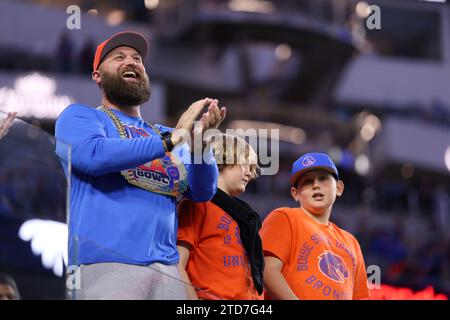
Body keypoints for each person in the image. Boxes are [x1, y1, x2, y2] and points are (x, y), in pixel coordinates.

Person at [55, 31, 226, 299]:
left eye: (137, 58)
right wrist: (174, 139)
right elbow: (93, 155)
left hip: (167, 270)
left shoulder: (166, 134)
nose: (132, 61)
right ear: (97, 75)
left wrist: (201, 144)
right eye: (118, 57)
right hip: (105, 263)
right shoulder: (80, 117)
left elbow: (203, 191)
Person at [260, 153, 370, 300]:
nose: (316, 185)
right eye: (307, 181)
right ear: (295, 193)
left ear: (339, 188)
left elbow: (361, 297)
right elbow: (267, 269)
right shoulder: (284, 217)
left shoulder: (352, 243)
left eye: (323, 178)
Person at [177, 134, 264, 300]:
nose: (249, 173)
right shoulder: (197, 204)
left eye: (251, 167)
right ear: (222, 159)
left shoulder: (244, 215)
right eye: (243, 163)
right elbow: (178, 262)